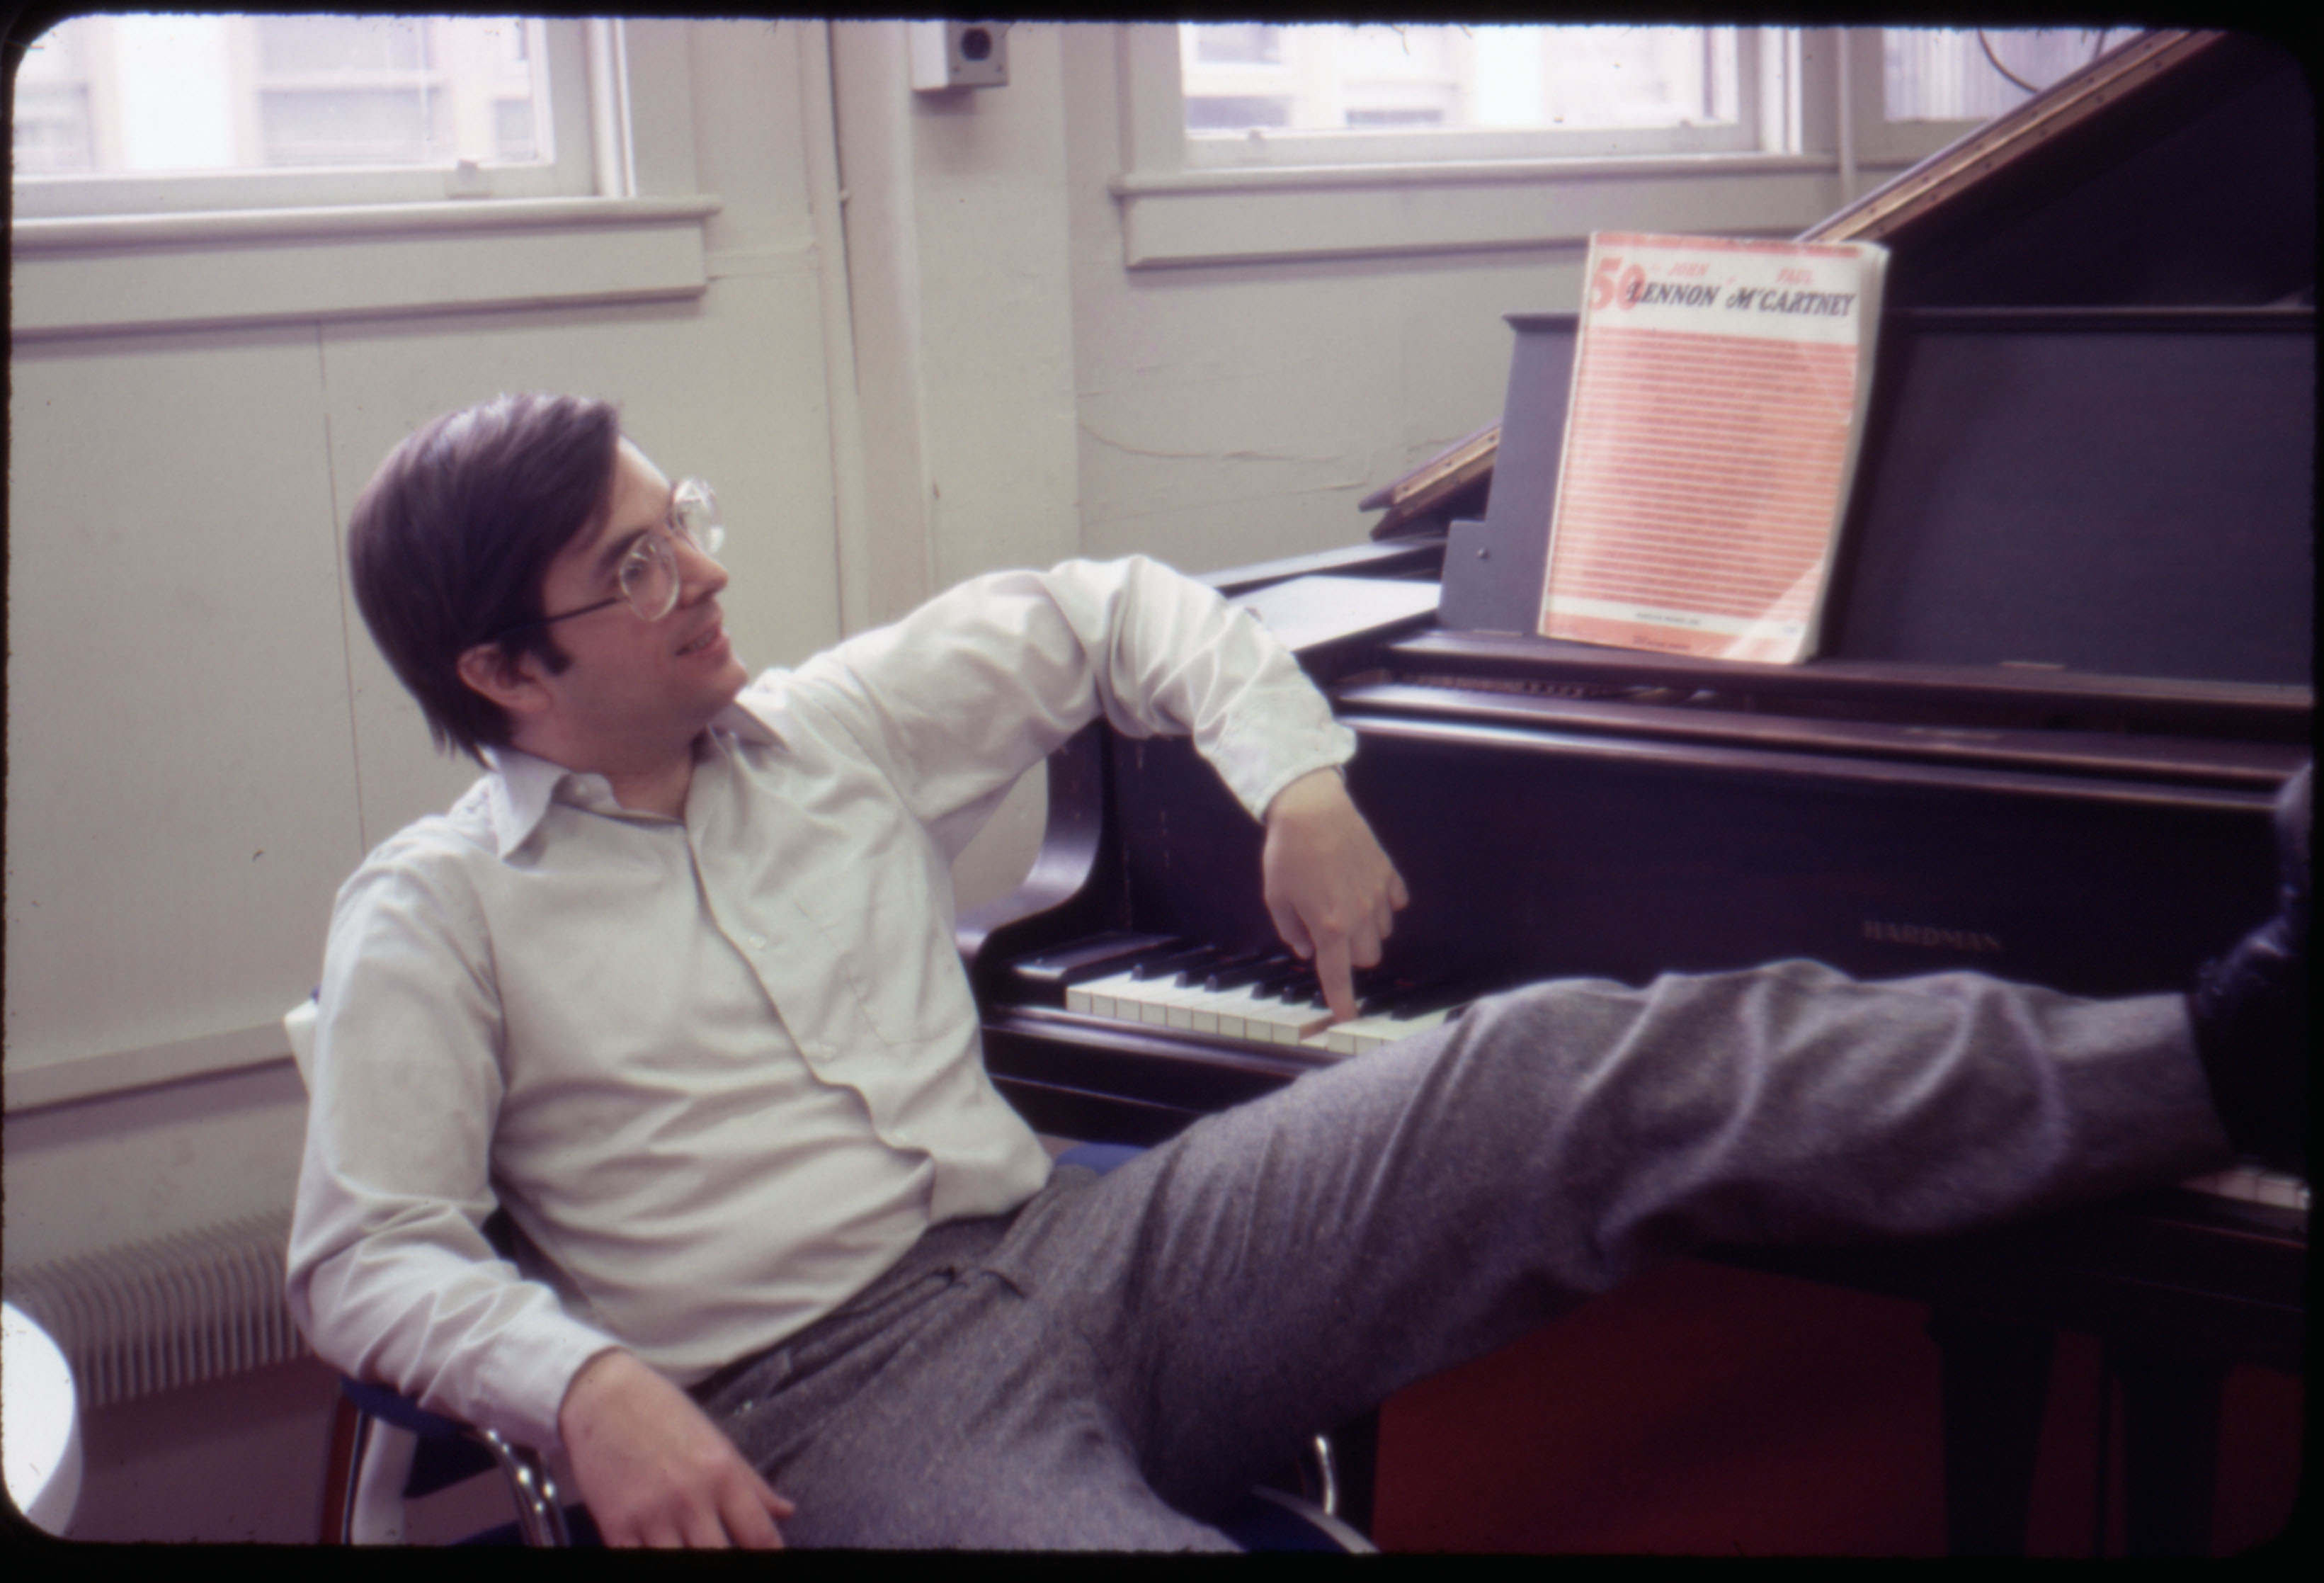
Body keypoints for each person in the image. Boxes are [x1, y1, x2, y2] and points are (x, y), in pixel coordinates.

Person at [287, 392, 2307, 1550]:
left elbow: (1112, 610)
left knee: (1555, 1066)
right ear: (505, 668)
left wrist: (1299, 778)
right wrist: (588, 1384)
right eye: (639, 566)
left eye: (683, 523)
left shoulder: (833, 725)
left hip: (1090, 1260)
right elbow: (364, 1253)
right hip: (819, 1407)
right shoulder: (434, 914)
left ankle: (2228, 1054)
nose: (706, 572)